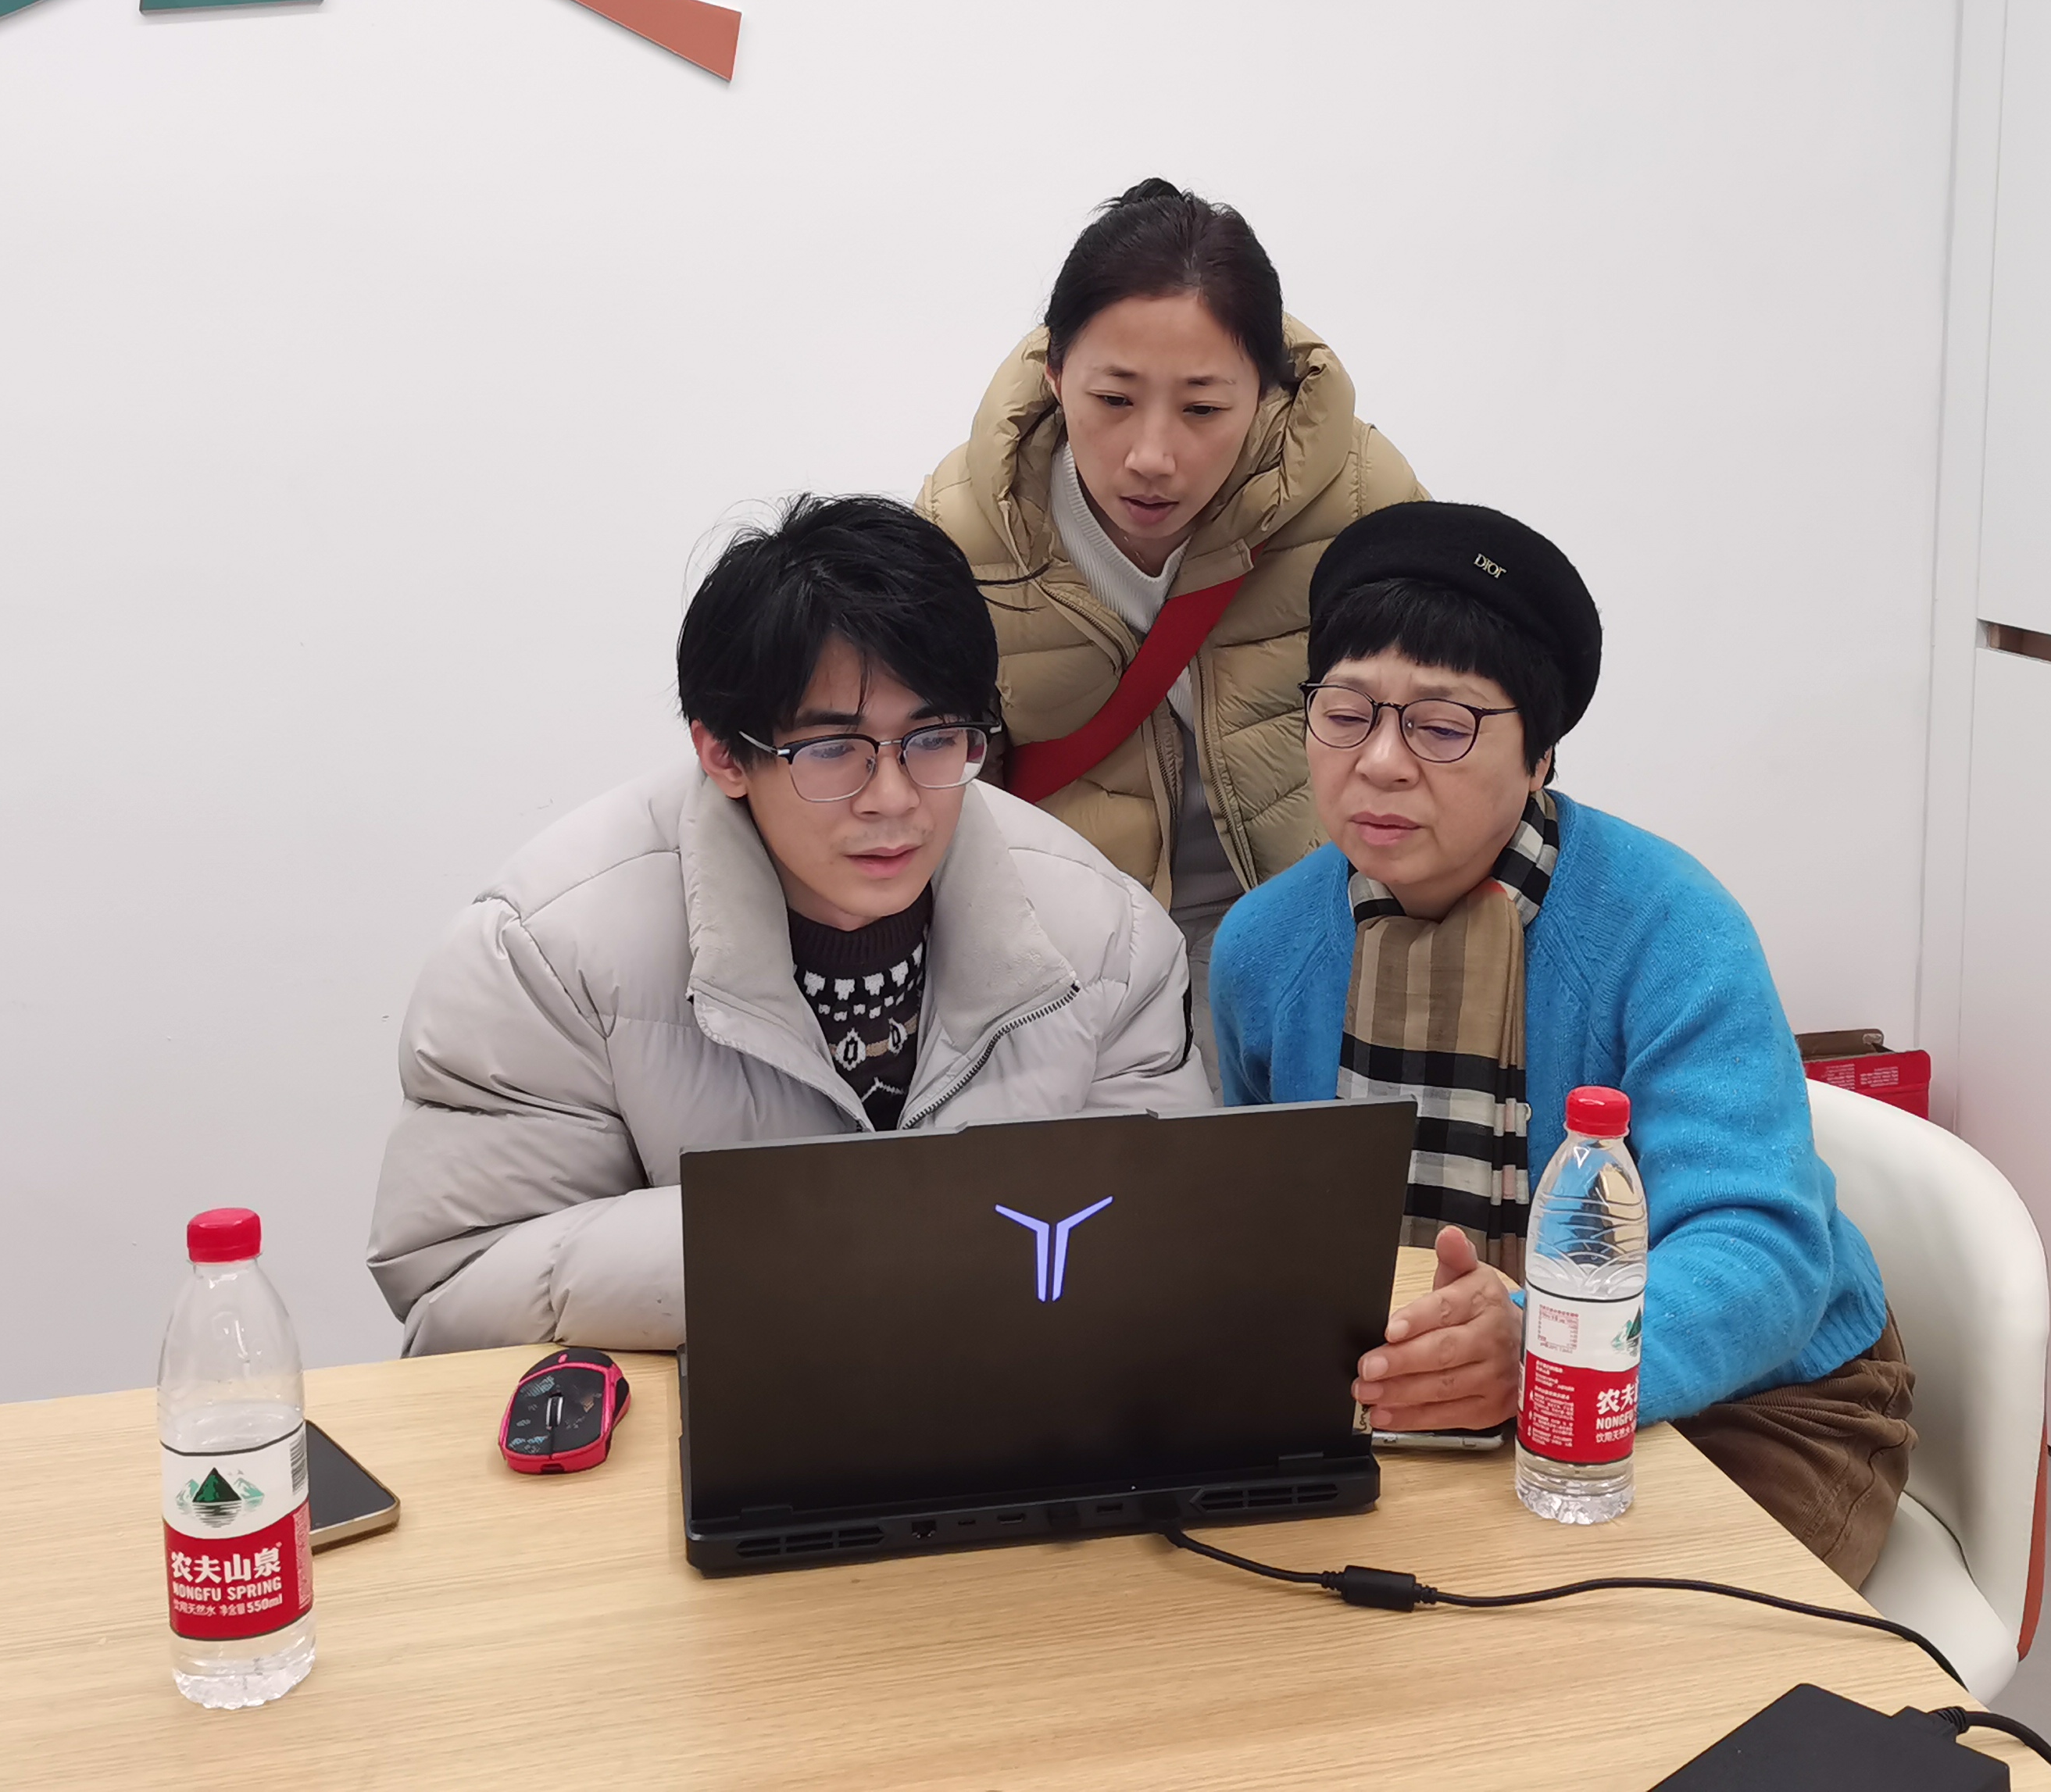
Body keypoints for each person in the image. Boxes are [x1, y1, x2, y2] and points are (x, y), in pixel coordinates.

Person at [1206, 502, 1913, 1584]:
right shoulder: (1264, 947)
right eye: (1345, 714)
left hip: (1752, 1401)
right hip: (1409, 1392)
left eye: (1442, 727)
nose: (1380, 763)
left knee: (1618, 1651)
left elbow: (1763, 1251)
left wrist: (1542, 1349)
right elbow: (1263, 1233)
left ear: (1540, 754)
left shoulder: (1668, 927)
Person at [367, 494, 1213, 1354]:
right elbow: (458, 1293)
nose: (893, 799)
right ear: (722, 753)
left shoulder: (1106, 935)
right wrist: (815, 1243)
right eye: (833, 749)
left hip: (1016, 1408)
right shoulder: (547, 953)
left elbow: (1172, 1250)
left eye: (934, 738)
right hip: (697, 1420)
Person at [917, 180, 1425, 1009]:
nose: (1152, 455)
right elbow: (933, 783)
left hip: (1320, 942)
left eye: (1203, 408)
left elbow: (1453, 728)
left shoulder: (1358, 498)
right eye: (1114, 400)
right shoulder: (964, 533)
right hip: (1073, 962)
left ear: (1264, 391)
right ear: (1055, 374)